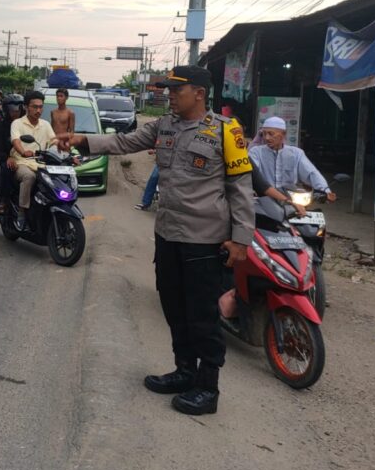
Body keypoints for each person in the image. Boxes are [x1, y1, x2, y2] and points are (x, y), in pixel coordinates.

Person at [59, 66, 254, 415]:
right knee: (173, 305)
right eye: (169, 90)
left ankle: (208, 388)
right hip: (168, 234)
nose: (170, 95)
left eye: (177, 90)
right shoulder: (164, 126)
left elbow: (240, 189)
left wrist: (241, 239)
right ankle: (183, 371)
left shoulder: (225, 131)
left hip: (204, 240)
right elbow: (123, 142)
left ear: (199, 93)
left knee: (202, 314)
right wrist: (82, 140)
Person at [249, 116, 336, 221]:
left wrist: (325, 190)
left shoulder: (296, 153)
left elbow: (311, 173)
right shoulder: (256, 152)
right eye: (264, 134)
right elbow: (254, 176)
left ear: (283, 135)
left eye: (271, 134)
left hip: (292, 199)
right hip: (265, 200)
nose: (267, 138)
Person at [10, 90, 59, 232]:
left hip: (41, 165)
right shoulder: (17, 123)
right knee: (29, 177)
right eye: (34, 107)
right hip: (22, 162)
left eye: (40, 107)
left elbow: (54, 141)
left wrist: (65, 153)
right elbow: (16, 141)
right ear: (26, 107)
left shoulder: (45, 124)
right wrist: (23, 152)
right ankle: (21, 212)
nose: (38, 110)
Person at [0, 93, 24, 212]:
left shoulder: (27, 125)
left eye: (18, 109)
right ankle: (3, 199)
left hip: (28, 159)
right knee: (6, 168)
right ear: (6, 110)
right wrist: (7, 158)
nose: (15, 113)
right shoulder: (0, 127)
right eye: (12, 110)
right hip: (9, 160)